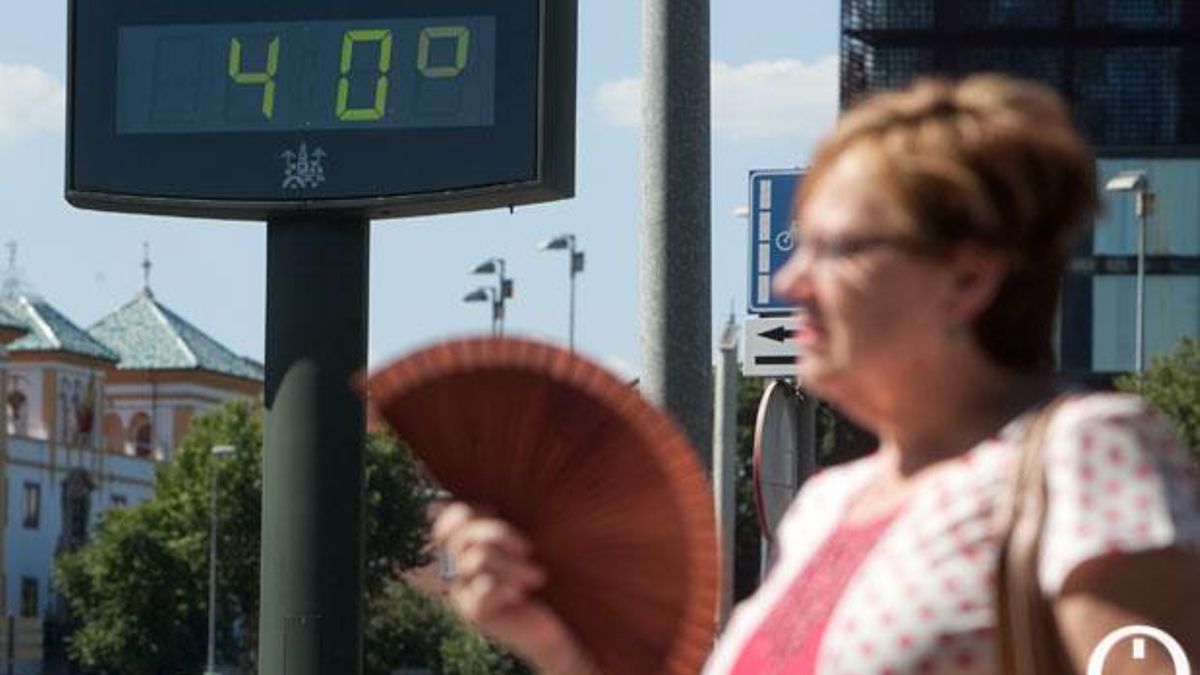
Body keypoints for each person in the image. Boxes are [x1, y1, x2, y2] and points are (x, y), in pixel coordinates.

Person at [432, 74, 1200, 674]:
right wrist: (566, 639)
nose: (790, 281)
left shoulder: (1089, 452)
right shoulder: (829, 504)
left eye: (837, 250)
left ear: (965, 278)